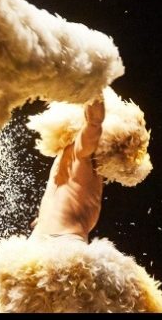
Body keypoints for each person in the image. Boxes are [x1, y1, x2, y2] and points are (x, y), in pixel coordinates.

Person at [0, 94, 162, 313]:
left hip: (30, 259)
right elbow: (91, 130)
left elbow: (57, 206)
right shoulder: (81, 152)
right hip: (64, 258)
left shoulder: (64, 158)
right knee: (136, 296)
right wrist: (94, 105)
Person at [29, 94, 105, 244]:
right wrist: (94, 90)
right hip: (64, 243)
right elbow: (93, 126)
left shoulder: (63, 157)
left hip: (37, 242)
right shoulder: (79, 153)